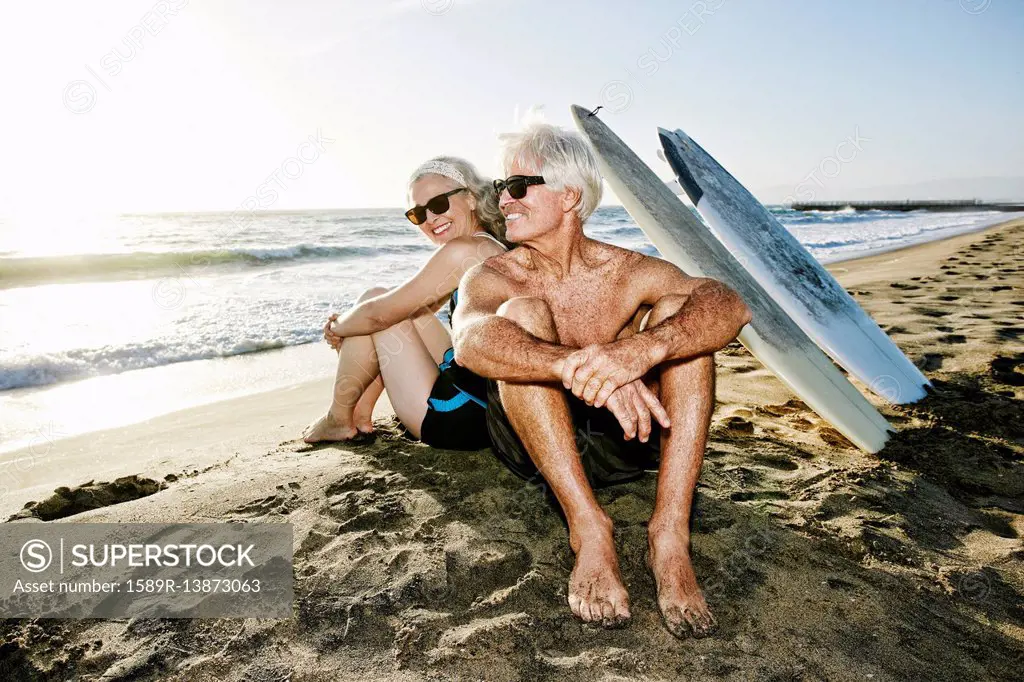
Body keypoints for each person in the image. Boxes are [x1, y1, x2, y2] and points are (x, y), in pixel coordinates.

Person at [451, 120, 752, 639]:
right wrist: (583, 366)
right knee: (520, 316)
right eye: (502, 187)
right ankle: (589, 530)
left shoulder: (626, 269)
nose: (504, 200)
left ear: (569, 196)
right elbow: (471, 340)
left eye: (519, 185)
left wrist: (639, 352)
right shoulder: (496, 275)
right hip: (534, 445)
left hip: (628, 441)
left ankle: (670, 534)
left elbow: (730, 305)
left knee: (683, 317)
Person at [302, 157, 507, 450]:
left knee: (375, 304)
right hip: (490, 403)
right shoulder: (489, 244)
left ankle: (338, 417)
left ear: (471, 198)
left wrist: (338, 327)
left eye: (438, 204)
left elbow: (377, 315)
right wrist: (353, 324)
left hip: (462, 418)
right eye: (418, 213)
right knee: (392, 310)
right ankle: (358, 416)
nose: (430, 219)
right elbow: (410, 309)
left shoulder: (463, 251)